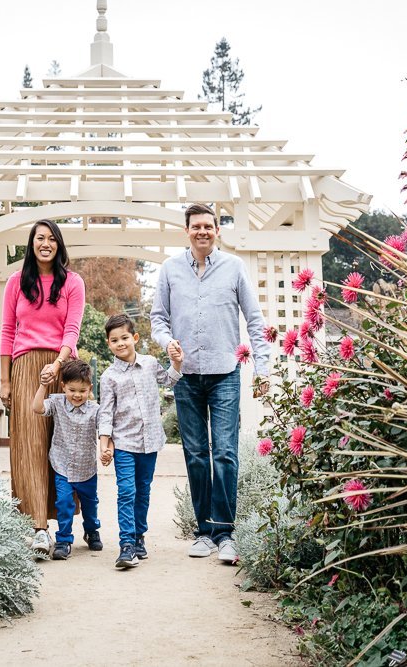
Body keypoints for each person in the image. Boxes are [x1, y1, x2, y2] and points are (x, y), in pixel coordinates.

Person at [150, 203, 271, 564]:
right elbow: (158, 319)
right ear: (186, 231)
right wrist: (165, 341)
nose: (202, 231)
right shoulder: (170, 270)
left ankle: (226, 532)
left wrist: (262, 370)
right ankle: (204, 531)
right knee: (197, 455)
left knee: (225, 453)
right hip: (185, 376)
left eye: (208, 226)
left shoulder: (234, 267)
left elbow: (254, 318)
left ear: (217, 230)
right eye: (195, 226)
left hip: (225, 374)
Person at [0, 219, 86, 558]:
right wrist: (5, 380)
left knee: (64, 445)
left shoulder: (72, 283)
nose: (45, 244)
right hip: (24, 369)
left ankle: (66, 523)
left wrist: (58, 363)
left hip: (63, 368)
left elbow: (72, 329)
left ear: (58, 244)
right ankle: (38, 528)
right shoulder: (16, 283)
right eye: (39, 238)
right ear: (31, 244)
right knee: (30, 445)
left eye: (51, 239)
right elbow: (7, 332)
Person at [98, 313, 183, 569]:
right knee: (126, 492)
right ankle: (126, 545)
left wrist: (176, 363)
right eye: (114, 340)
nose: (120, 343)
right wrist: (105, 444)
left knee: (143, 491)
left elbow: (169, 379)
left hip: (151, 442)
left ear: (135, 338)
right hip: (124, 444)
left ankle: (138, 537)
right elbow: (105, 413)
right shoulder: (109, 376)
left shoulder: (150, 363)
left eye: (125, 337)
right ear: (108, 344)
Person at [31, 359, 103, 560]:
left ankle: (91, 531)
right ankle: (63, 540)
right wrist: (43, 385)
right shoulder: (57, 402)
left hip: (87, 468)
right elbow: (37, 408)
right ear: (63, 387)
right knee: (63, 503)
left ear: (90, 388)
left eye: (82, 391)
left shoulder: (95, 410)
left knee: (90, 504)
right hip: (62, 465)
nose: (77, 395)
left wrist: (107, 449)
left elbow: (105, 431)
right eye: (72, 390)